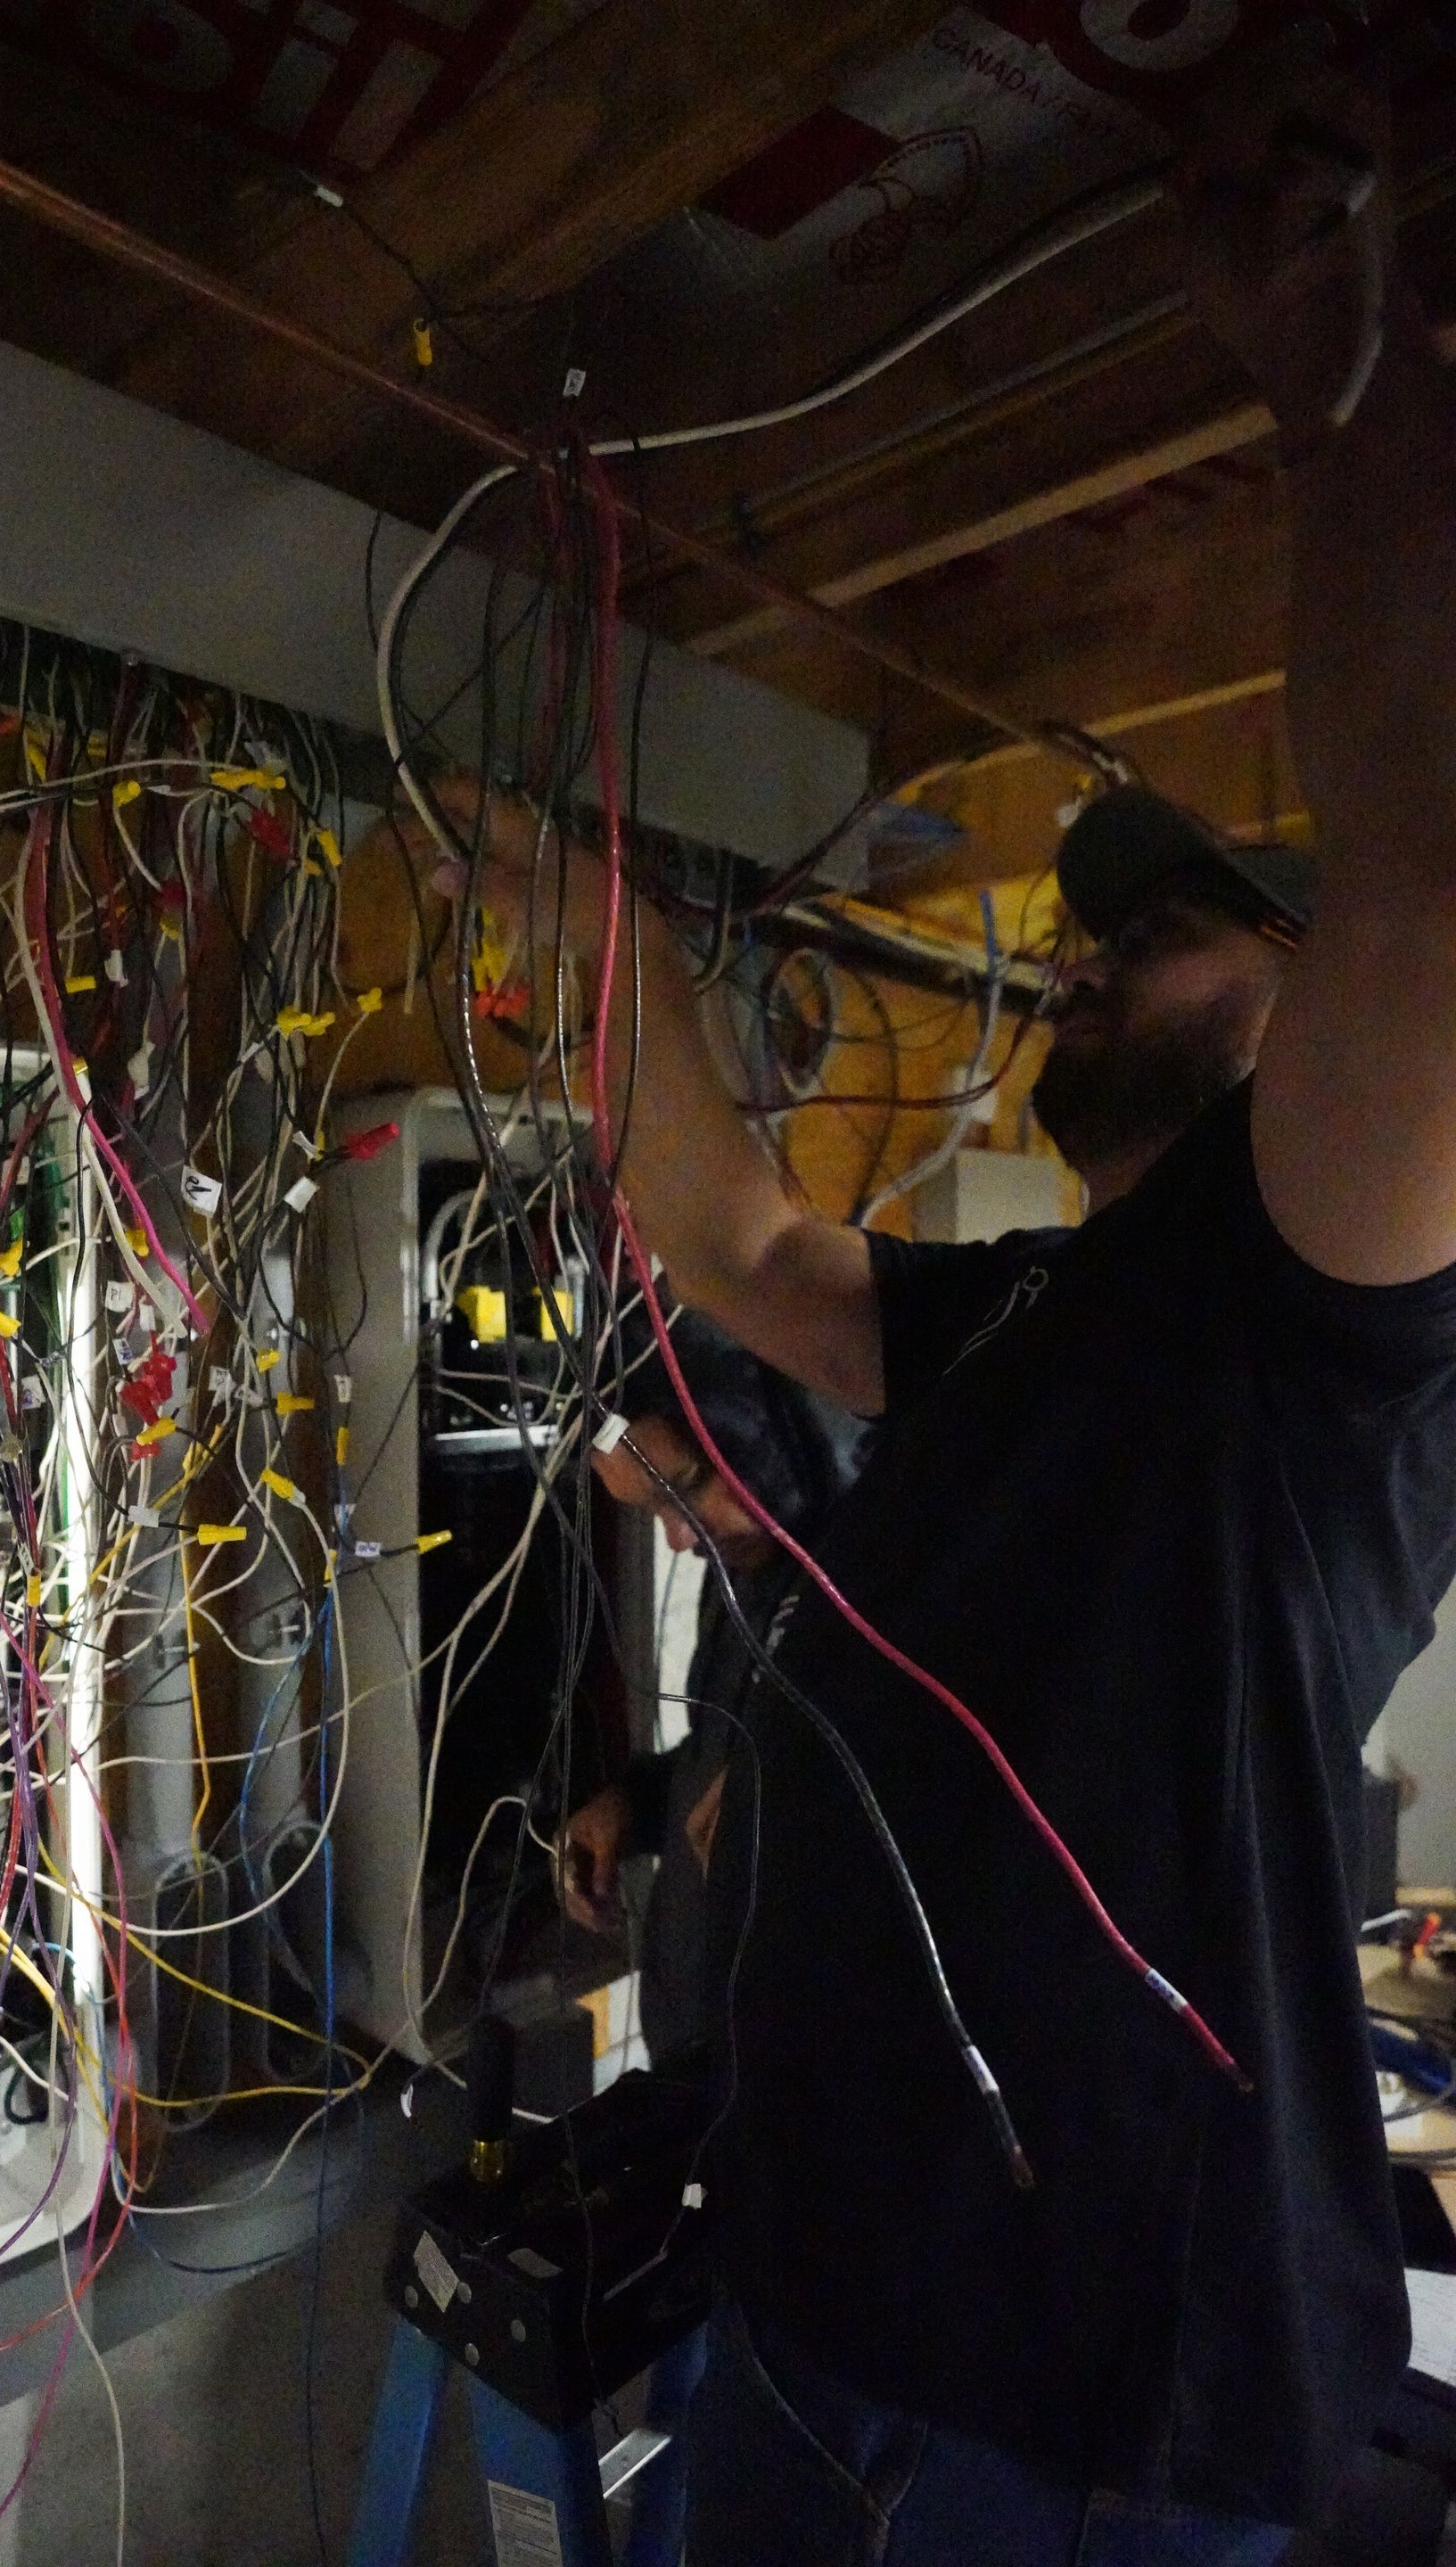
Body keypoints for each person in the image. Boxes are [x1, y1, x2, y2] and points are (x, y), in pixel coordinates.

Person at [405, 53, 1456, 2567]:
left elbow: (1427, 862)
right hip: (810, 2310)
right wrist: (614, 935)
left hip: (1067, 2420)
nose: (1086, 949)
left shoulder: (1314, 1326)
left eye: (1161, 918)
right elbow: (748, 1240)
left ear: (1308, 1005)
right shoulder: (1038, 1318)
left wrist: (1347, 389)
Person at [557, 1312, 853, 2066]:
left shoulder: (881, 1589)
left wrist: (795, 1806)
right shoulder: (741, 1573)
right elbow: (717, 1758)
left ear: (760, 1423)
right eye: (654, 1512)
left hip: (806, 2081)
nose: (679, 1539)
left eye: (686, 1488)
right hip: (700, 2065)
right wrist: (634, 1805)